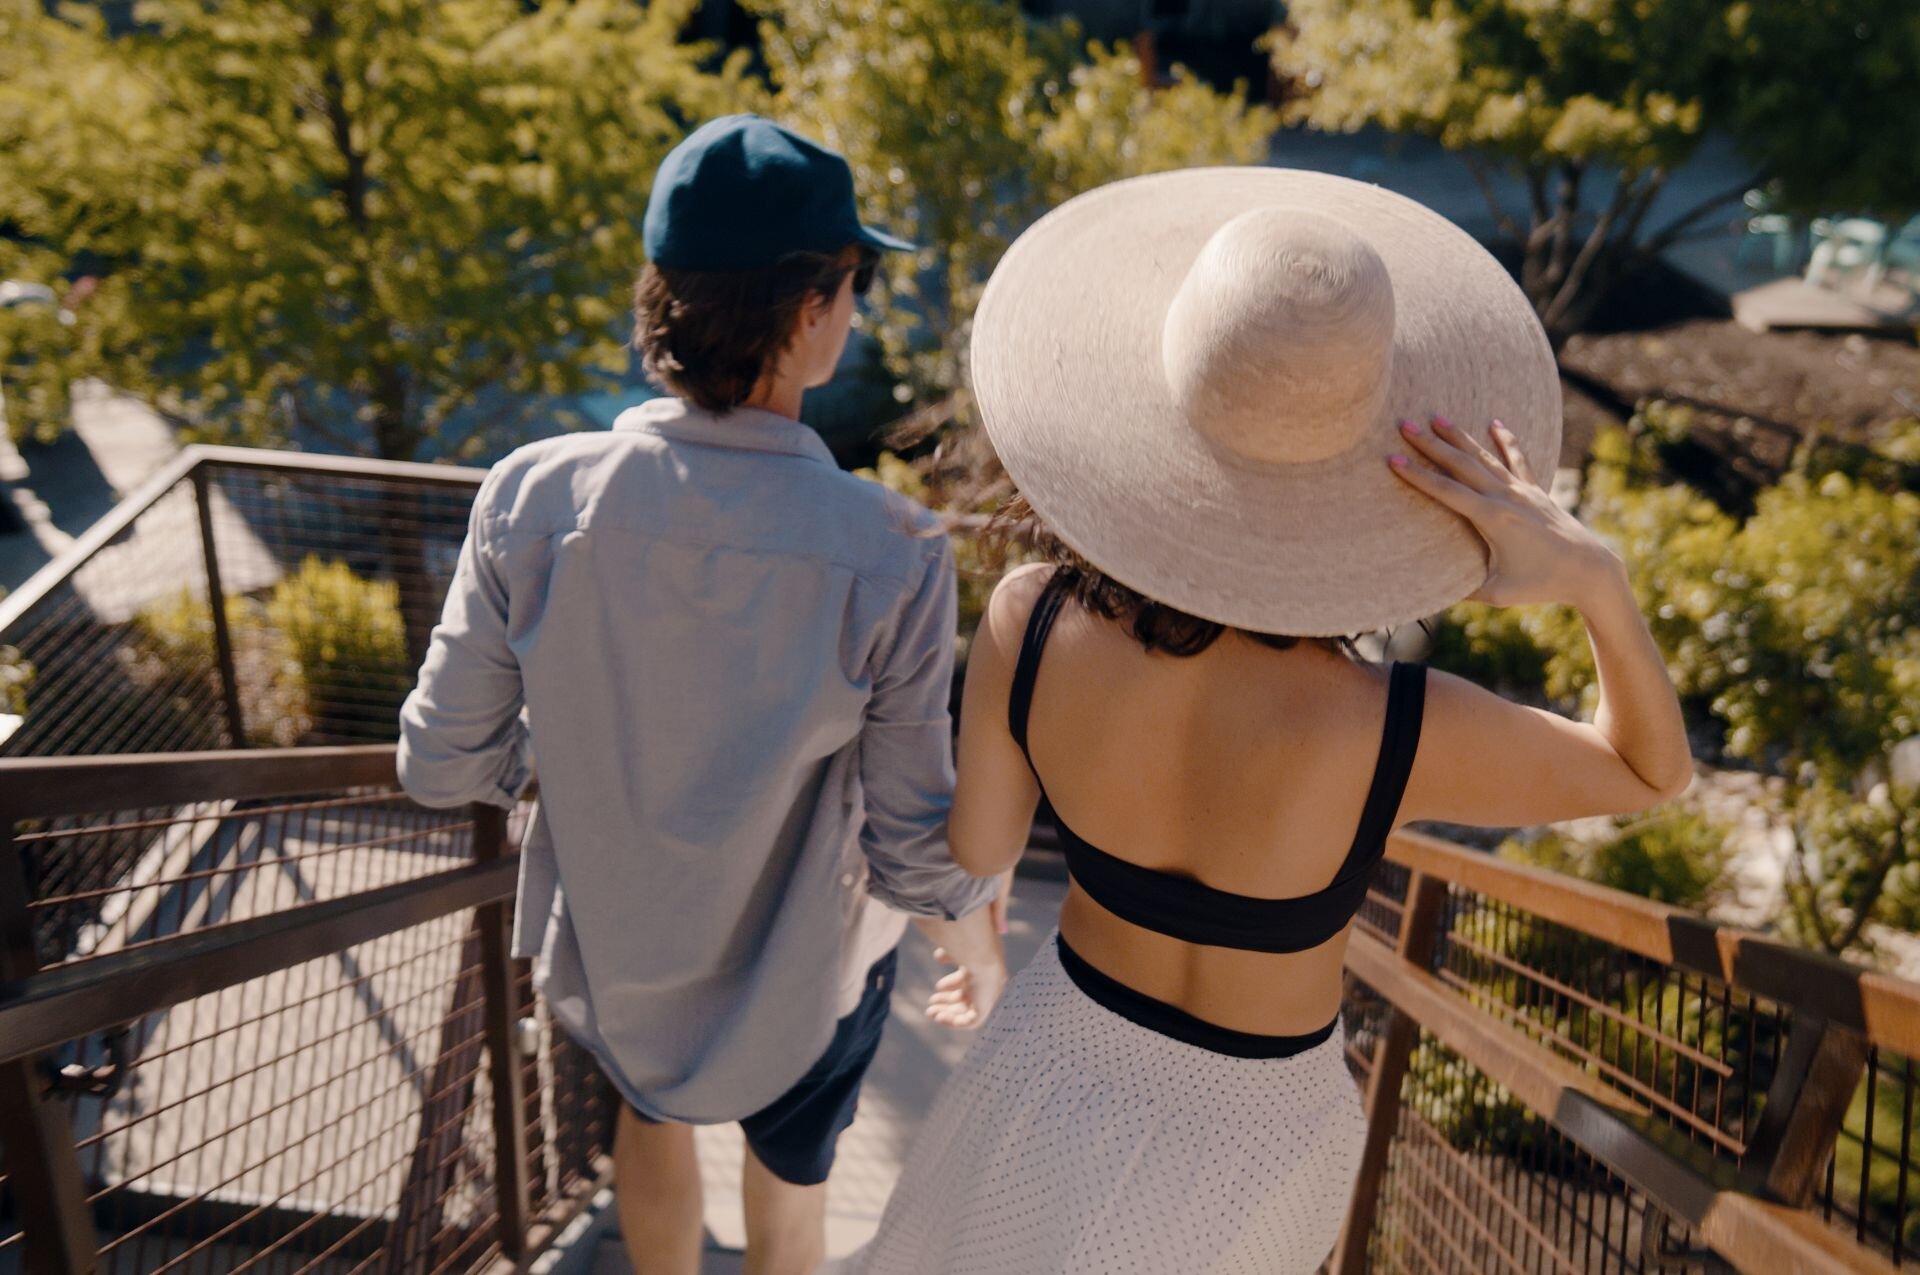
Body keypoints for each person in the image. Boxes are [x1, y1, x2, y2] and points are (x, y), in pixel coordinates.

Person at [851, 169, 1693, 1274]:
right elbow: (1650, 769)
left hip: (1053, 1063)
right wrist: (1595, 582)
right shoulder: (1394, 727)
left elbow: (978, 852)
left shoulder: (1031, 617)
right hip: (1252, 1136)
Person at [396, 114, 1007, 1275]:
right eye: (852, 284)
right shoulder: (895, 550)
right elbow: (911, 850)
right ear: (806, 308)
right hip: (810, 978)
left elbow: (437, 767)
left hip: (621, 959)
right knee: (793, 1192)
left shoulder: (531, 497)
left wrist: (579, 750)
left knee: (650, 1120)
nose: (856, 310)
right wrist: (978, 938)